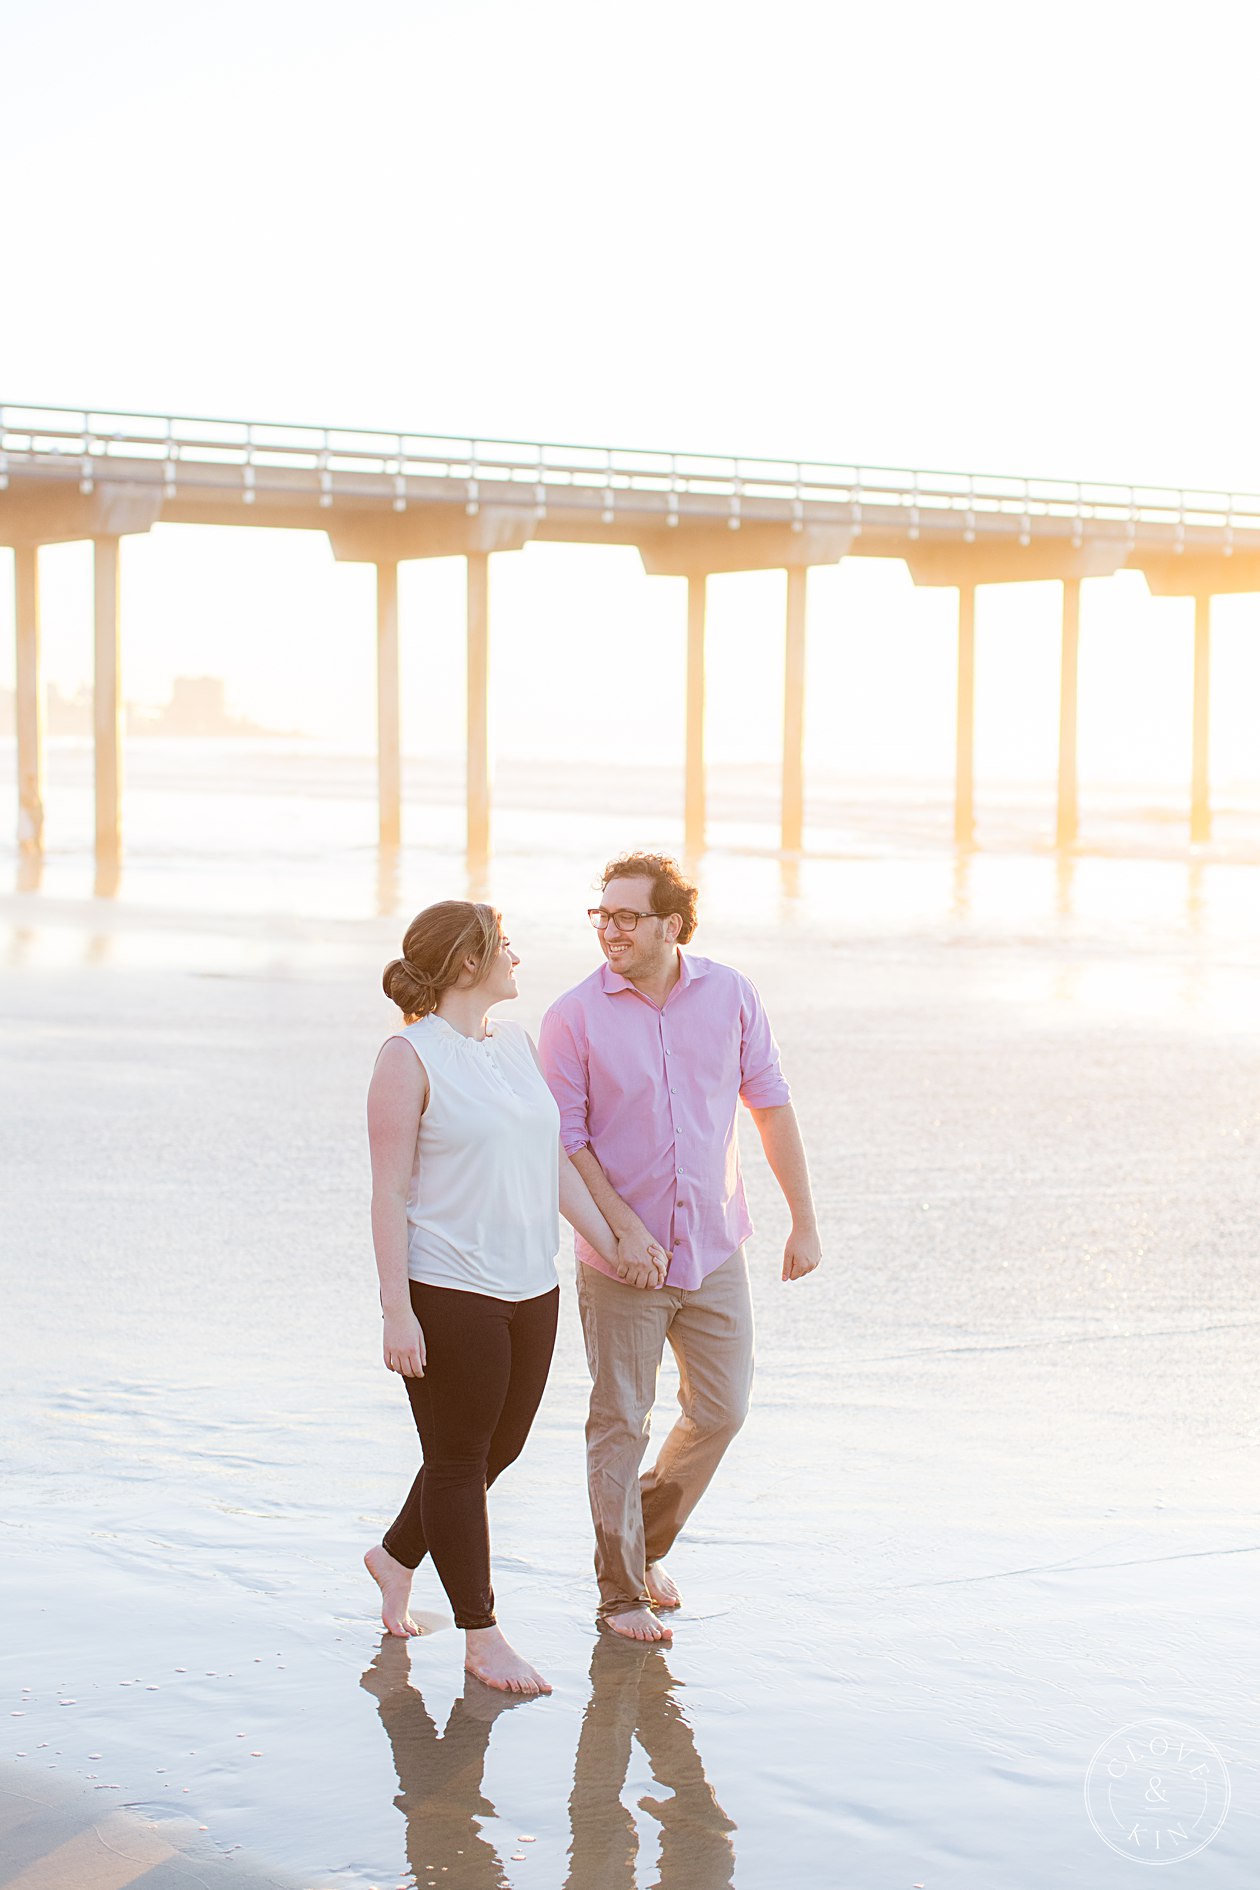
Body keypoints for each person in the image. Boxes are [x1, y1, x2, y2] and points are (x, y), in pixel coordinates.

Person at [365, 899, 653, 1696]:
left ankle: (394, 1555)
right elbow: (388, 1194)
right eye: (506, 948)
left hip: (532, 1283)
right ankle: (481, 1634)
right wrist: (397, 1309)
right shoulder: (406, 1057)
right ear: (469, 963)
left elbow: (553, 1163)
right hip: (447, 1285)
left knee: (501, 1448)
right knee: (457, 1460)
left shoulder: (515, 1046)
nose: (516, 959)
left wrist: (612, 1238)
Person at [539, 853, 821, 1642]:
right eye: (602, 915)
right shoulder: (572, 1016)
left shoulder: (730, 994)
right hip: (619, 1259)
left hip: (713, 1246)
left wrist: (804, 1218)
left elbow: (768, 1101)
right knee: (620, 1419)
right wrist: (620, 1230)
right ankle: (620, 1592)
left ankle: (643, 1541)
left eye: (627, 916)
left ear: (672, 924)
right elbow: (566, 1141)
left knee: (722, 1410)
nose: (611, 929)